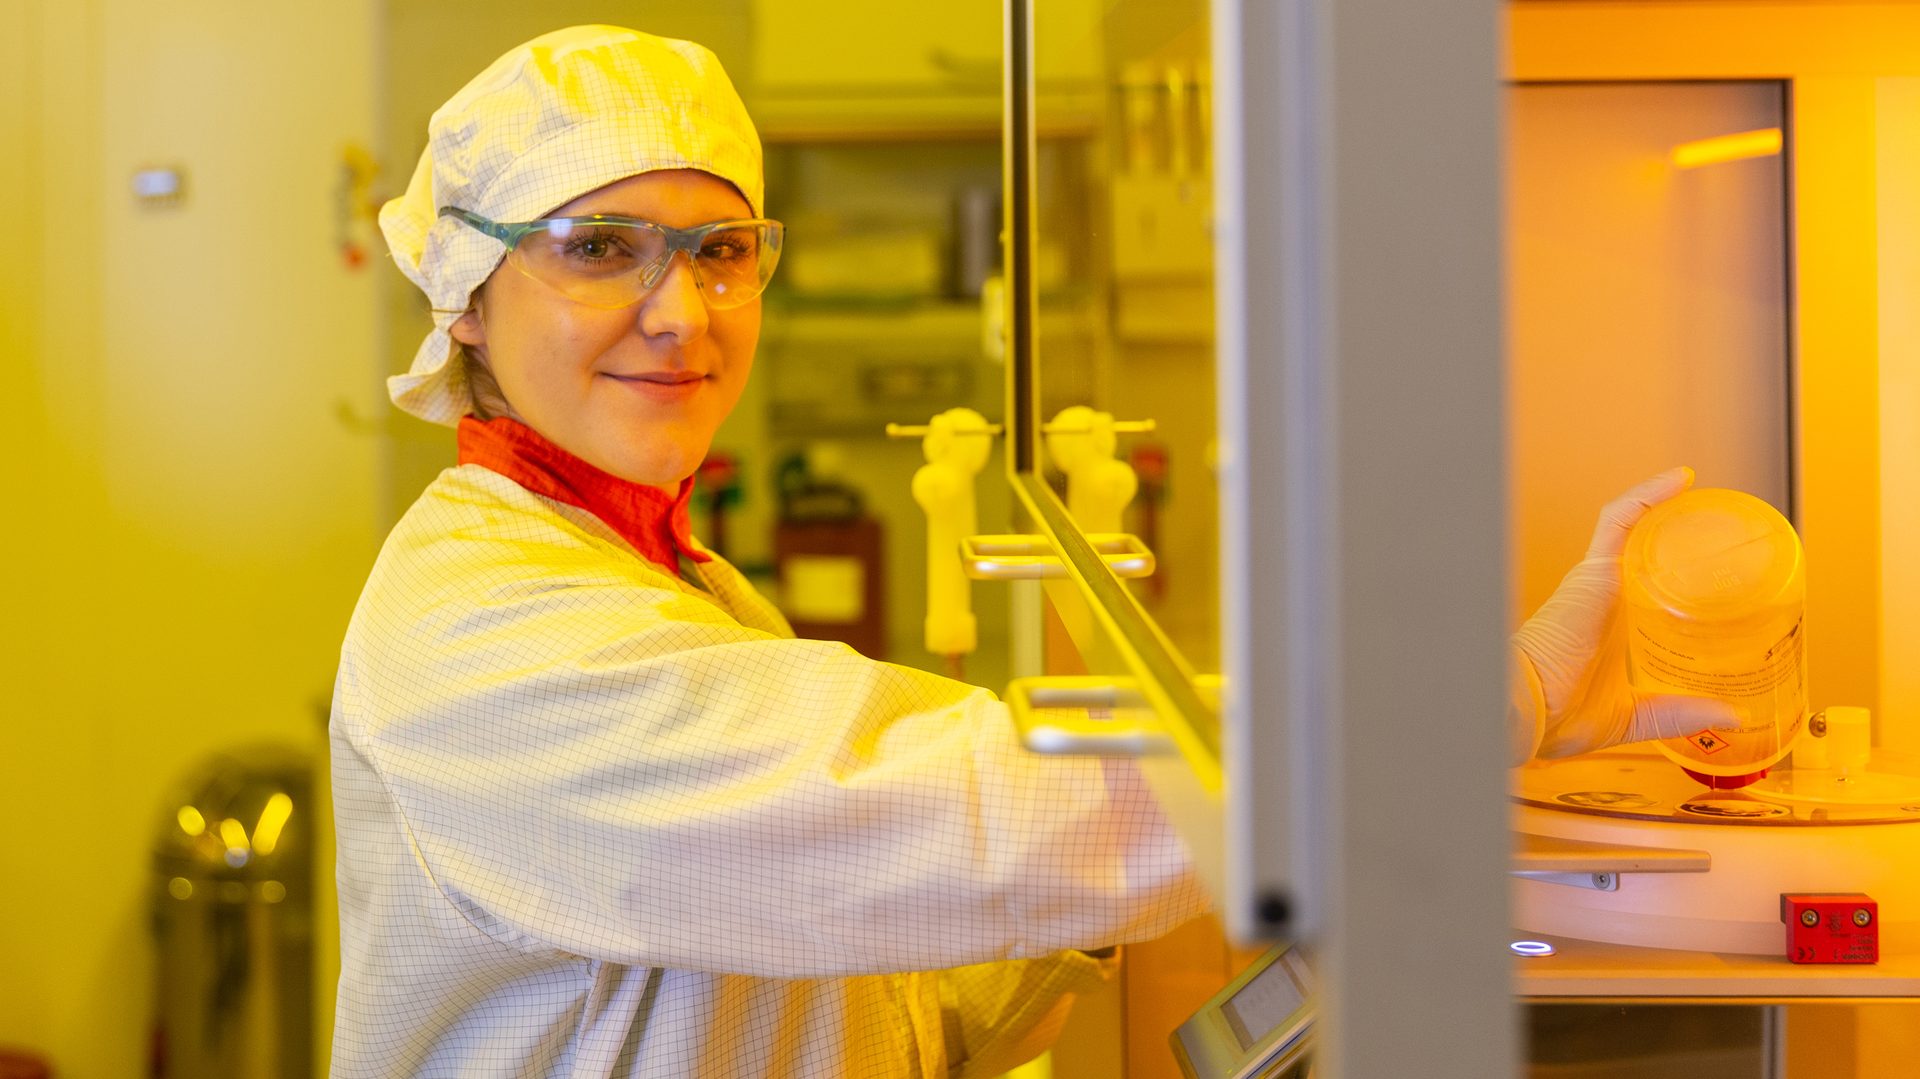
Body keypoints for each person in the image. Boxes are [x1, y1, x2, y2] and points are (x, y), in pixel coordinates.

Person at [331, 23, 1729, 1079]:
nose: (680, 314)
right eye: (597, 249)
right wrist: (1506, 699)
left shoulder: (673, 580)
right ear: (463, 297)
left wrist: (1092, 933)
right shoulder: (483, 636)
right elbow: (940, 807)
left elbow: (854, 994)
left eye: (720, 251)